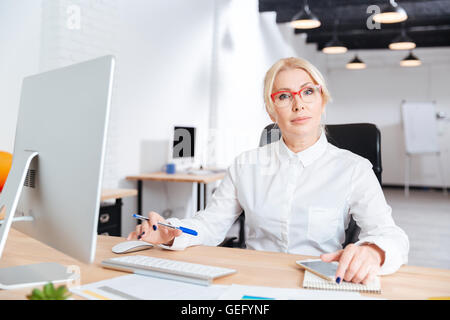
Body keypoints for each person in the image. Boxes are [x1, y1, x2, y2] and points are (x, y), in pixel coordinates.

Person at [128, 57, 409, 284]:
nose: (298, 104)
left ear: (322, 101)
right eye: (284, 96)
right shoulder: (245, 165)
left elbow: (392, 236)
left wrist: (373, 252)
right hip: (253, 282)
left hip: (319, 283)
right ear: (271, 110)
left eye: (308, 92)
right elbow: (210, 224)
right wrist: (172, 231)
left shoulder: (354, 169)